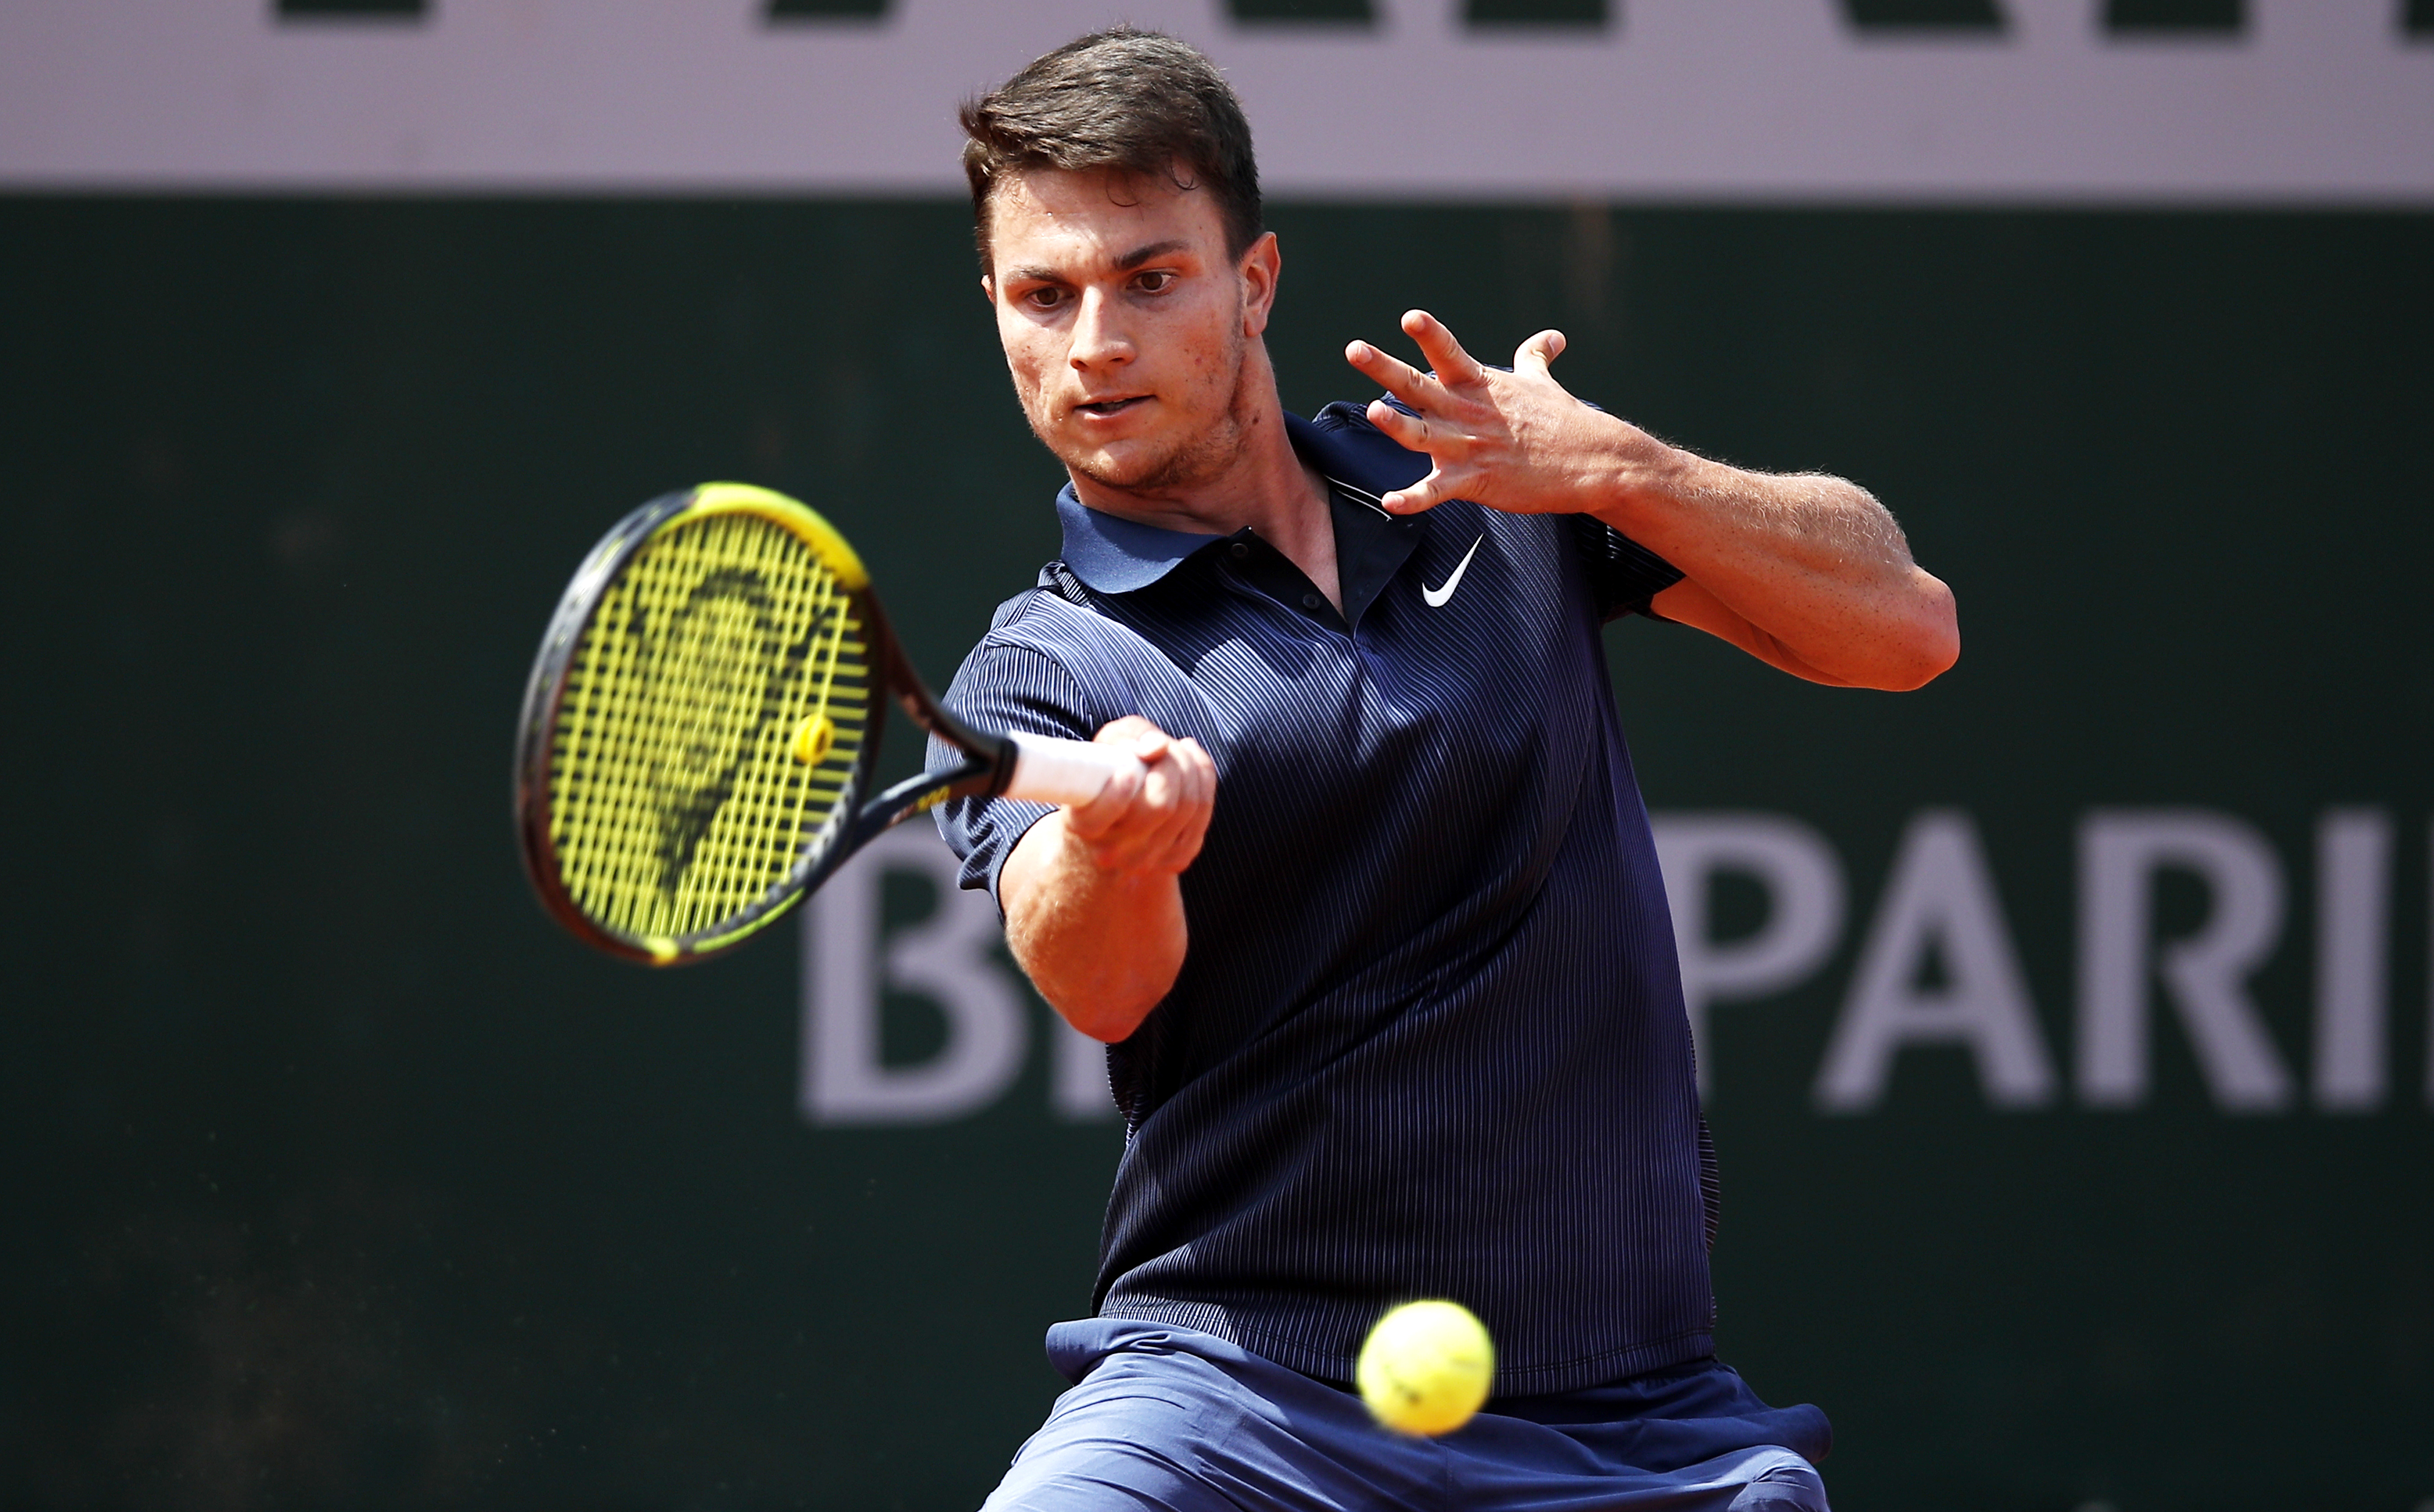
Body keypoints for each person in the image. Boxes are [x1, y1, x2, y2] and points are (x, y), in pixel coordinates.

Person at [931, 27, 1958, 1512]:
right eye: (1044, 295)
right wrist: (1118, 850)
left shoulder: (1488, 476)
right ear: (999, 314)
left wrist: (1616, 468)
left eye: (1149, 277)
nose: (1093, 341)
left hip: (1637, 1423)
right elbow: (1095, 979)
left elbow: (1901, 631)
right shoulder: (1038, 671)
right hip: (1231, 1399)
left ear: (1253, 281)